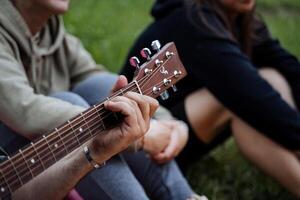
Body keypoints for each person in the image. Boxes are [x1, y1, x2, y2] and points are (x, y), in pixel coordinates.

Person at [0, 0, 202, 199]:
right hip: (11, 164)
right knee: (72, 103)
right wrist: (140, 136)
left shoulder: (51, 34)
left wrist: (168, 123)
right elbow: (25, 112)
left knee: (101, 86)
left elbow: (94, 79)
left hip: (41, 162)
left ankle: (185, 197)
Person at [120, 0, 300, 197]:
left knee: (272, 76)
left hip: (184, 126)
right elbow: (256, 100)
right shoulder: (194, 23)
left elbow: (288, 67)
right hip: (148, 141)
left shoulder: (240, 18)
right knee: (239, 103)